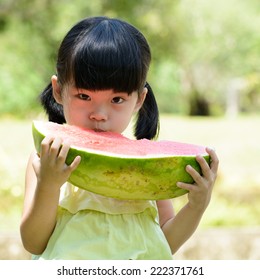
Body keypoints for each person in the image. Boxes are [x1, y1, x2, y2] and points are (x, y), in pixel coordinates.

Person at [20, 16, 219, 260]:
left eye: (117, 100)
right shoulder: (46, 159)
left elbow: (166, 243)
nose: (99, 114)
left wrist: (197, 206)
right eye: (84, 96)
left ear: (139, 100)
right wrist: (49, 185)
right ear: (59, 91)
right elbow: (33, 243)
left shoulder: (150, 167)